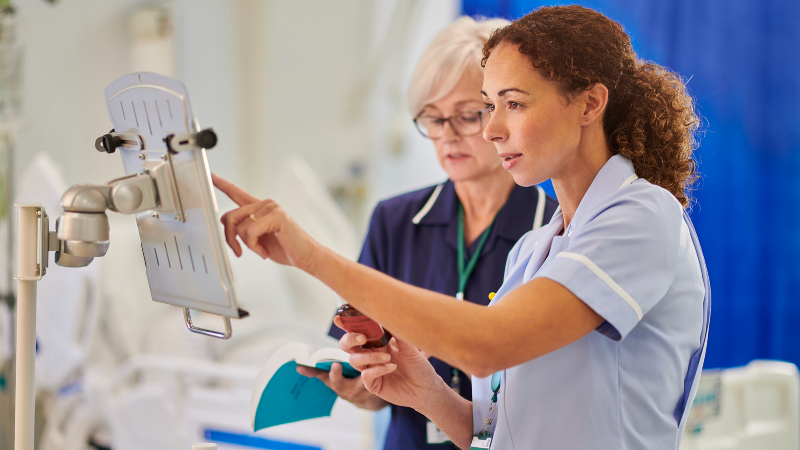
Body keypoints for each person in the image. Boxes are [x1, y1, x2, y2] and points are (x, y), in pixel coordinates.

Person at [214, 5, 709, 450]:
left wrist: (311, 256)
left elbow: (489, 343)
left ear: (589, 104)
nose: (492, 130)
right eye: (489, 106)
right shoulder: (534, 249)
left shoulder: (643, 215)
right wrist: (426, 393)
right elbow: (494, 433)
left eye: (513, 104)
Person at [215, 16, 557, 450]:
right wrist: (362, 387)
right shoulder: (394, 221)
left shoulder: (552, 229)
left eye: (467, 116)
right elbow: (366, 352)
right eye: (433, 118)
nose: (447, 136)